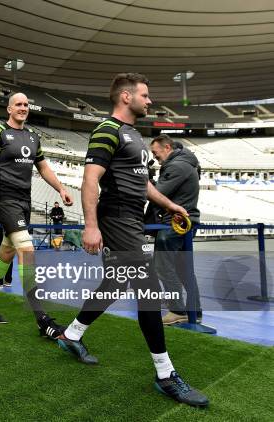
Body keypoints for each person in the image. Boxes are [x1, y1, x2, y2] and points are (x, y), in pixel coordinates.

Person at [56, 73, 209, 407]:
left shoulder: (134, 135)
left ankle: (72, 334)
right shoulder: (107, 130)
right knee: (149, 289)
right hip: (116, 219)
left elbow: (144, 185)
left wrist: (171, 205)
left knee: (114, 284)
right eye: (145, 94)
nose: (149, 100)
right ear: (126, 97)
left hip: (132, 219)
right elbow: (90, 179)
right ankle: (165, 374)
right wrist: (91, 226)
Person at [0, 92, 74, 340]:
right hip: (4, 200)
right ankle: (43, 320)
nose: (23, 107)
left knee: (6, 253)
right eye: (18, 104)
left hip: (24, 202)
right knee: (27, 251)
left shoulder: (33, 137)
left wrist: (62, 188)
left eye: (26, 104)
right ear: (9, 109)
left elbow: (43, 168)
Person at [149, 134, 202, 325]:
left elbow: (157, 194)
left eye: (156, 153)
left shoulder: (176, 166)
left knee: (162, 266)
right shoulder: (186, 163)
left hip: (174, 223)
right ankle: (194, 310)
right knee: (184, 268)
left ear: (167, 147)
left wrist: (145, 181)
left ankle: (177, 310)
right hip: (184, 221)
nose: (155, 158)